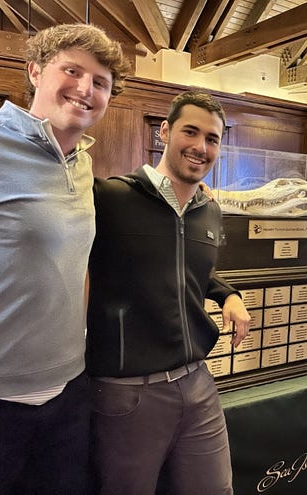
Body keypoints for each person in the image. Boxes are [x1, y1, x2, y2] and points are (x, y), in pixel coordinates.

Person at [0, 24, 129, 495]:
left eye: (100, 83)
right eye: (71, 70)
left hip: (68, 396)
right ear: (35, 70)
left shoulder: (83, 161)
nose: (85, 89)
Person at [86, 90, 251, 495]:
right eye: (190, 132)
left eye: (212, 139)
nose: (200, 147)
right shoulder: (110, 198)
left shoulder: (208, 211)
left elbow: (192, 271)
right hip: (128, 392)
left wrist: (228, 293)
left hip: (198, 383)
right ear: (164, 132)